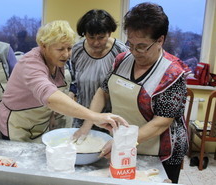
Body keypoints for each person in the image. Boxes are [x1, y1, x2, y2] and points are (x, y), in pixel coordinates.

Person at [74, 3, 191, 183]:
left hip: (159, 153)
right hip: (124, 144)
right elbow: (102, 92)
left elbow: (161, 123)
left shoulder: (172, 74)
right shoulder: (122, 59)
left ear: (160, 40)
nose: (135, 52)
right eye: (131, 44)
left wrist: (124, 143)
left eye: (142, 46)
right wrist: (87, 125)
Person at [0, 20, 128, 143]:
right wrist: (94, 116)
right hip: (17, 123)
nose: (66, 55)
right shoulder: (30, 64)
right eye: (60, 49)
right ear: (43, 46)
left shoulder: (57, 62)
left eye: (69, 48)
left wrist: (53, 114)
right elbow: (49, 96)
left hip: (40, 122)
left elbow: (60, 91)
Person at [70, 9, 128, 135]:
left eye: (101, 37)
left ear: (110, 32)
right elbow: (73, 82)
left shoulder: (121, 52)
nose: (96, 43)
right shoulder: (77, 50)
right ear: (84, 34)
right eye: (91, 37)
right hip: (82, 116)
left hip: (110, 120)